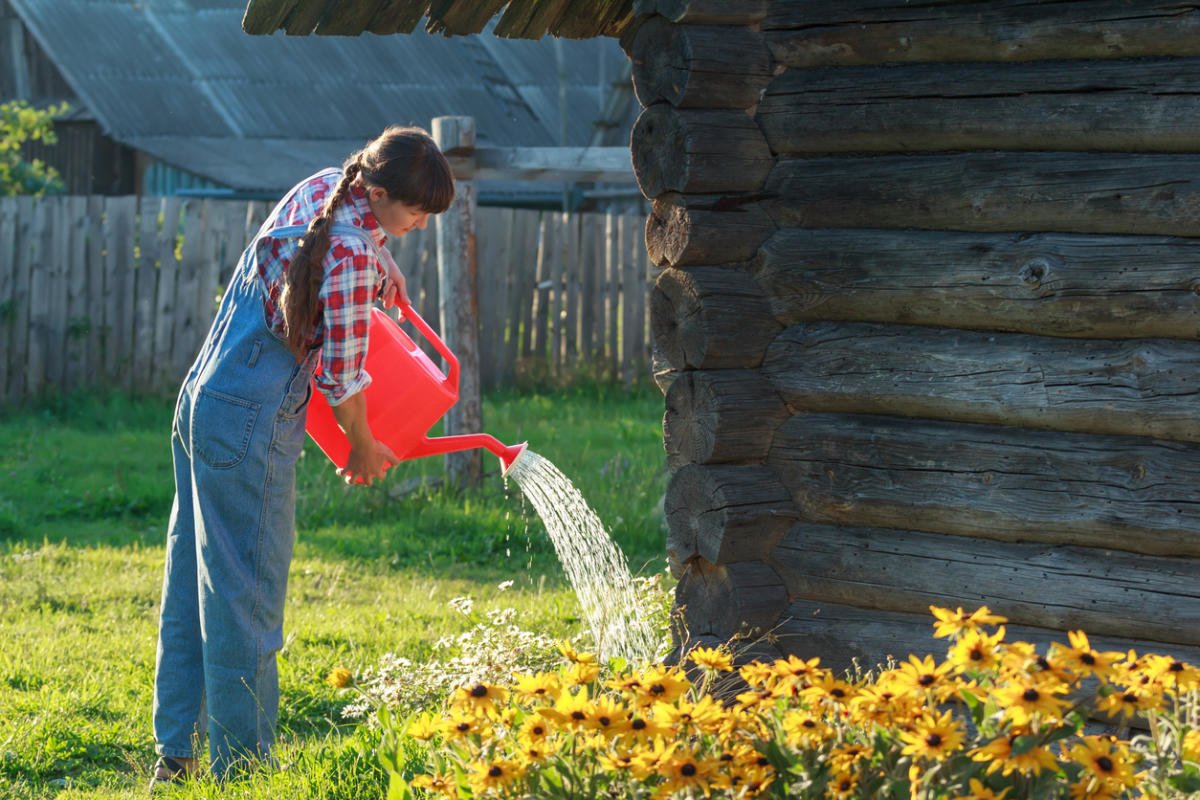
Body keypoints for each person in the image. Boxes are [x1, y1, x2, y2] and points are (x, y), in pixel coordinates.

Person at [148, 126, 454, 786]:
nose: (422, 226)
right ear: (375, 193)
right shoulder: (347, 259)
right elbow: (342, 382)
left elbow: (342, 245)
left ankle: (174, 758)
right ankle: (246, 774)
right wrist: (366, 449)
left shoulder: (325, 188)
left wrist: (385, 256)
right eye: (416, 214)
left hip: (202, 400)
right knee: (247, 602)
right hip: (249, 424)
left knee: (192, 586)